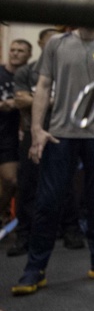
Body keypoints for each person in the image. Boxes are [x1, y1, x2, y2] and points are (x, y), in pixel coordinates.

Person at [11, 28, 94, 295]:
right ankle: (35, 269)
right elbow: (44, 87)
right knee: (48, 202)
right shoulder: (57, 44)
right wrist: (37, 129)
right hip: (61, 134)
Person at [8, 29, 59, 257]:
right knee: (27, 186)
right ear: (40, 44)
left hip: (61, 133)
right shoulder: (27, 71)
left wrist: (37, 99)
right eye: (48, 42)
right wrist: (54, 100)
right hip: (32, 132)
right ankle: (23, 236)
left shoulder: (65, 71)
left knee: (63, 187)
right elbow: (20, 100)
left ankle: (68, 231)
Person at [1, 40, 32, 230]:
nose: (15, 54)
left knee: (11, 180)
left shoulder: (29, 75)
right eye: (12, 50)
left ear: (29, 54)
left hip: (11, 136)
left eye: (20, 51)